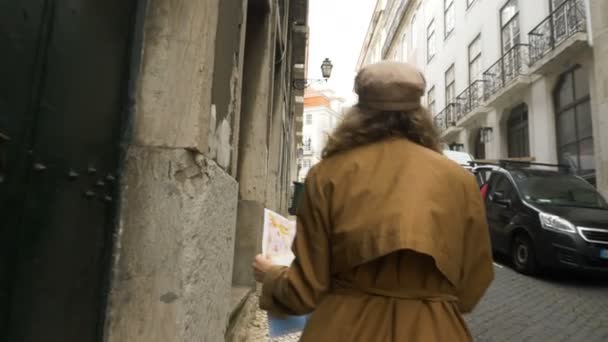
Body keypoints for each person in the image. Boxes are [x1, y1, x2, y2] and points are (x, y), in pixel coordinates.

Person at [252, 61, 494, 342]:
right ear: (420, 113)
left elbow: (305, 290)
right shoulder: (460, 180)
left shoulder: (327, 175)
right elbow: (475, 282)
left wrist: (271, 276)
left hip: (343, 328)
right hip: (436, 330)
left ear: (358, 112)